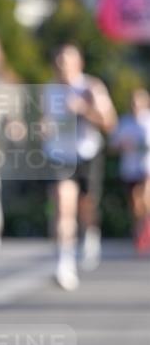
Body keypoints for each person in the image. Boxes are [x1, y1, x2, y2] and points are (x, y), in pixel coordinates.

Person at [42, 42, 117, 290]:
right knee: (63, 206)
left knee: (87, 205)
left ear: (78, 63)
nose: (62, 66)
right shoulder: (48, 91)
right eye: (59, 61)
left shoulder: (91, 87)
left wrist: (85, 109)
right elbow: (42, 123)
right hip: (58, 156)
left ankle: (91, 234)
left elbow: (109, 124)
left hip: (86, 154)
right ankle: (65, 264)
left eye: (67, 60)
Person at [109, 88, 150, 254]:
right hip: (129, 168)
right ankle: (139, 231)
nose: (135, 105)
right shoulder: (124, 122)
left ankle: (145, 230)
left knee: (145, 197)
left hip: (147, 167)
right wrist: (123, 145)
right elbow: (112, 146)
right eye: (133, 102)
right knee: (135, 204)